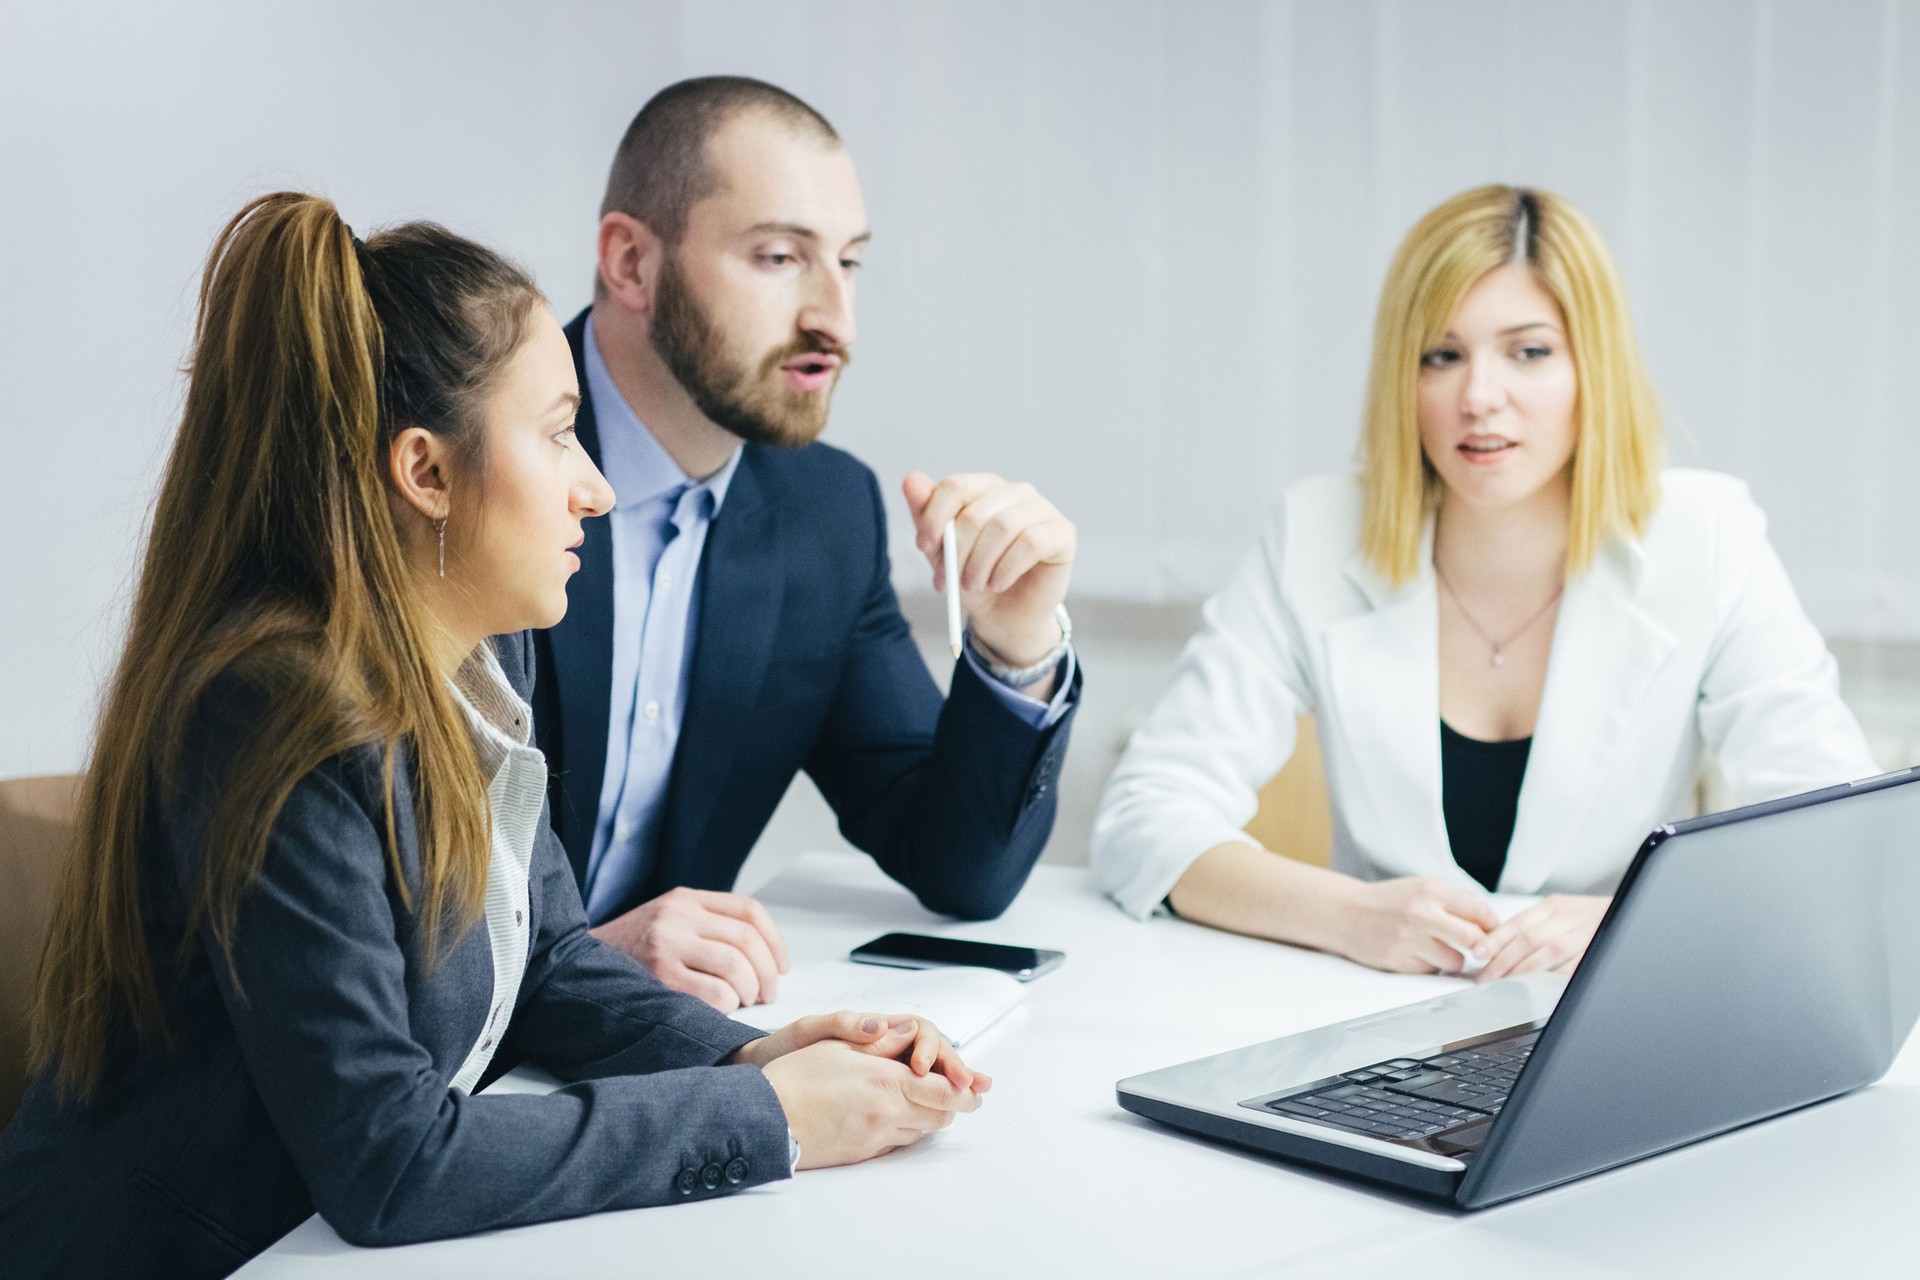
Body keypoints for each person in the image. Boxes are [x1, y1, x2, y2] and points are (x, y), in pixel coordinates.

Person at [0, 194, 987, 1280]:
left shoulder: (477, 657)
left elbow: (552, 959)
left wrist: (760, 1051)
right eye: (561, 433)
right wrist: (765, 1117)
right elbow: (389, 1161)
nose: (598, 487)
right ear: (425, 471)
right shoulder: (279, 715)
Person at [1091, 184, 1877, 981]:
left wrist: (1625, 923)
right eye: (1443, 355)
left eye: (1529, 352)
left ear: (1590, 370)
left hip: (1614, 1014)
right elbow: (1144, 817)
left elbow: (1830, 841)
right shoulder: (1318, 533)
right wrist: (1349, 914)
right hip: (1371, 1020)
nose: (1479, 397)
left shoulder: (1707, 539)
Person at [534, 76, 1083, 1012]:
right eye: (780, 257)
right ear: (630, 262)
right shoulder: (464, 462)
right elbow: (352, 897)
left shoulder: (825, 511)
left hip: (654, 1064)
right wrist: (571, 962)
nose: (836, 319)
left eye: (851, 263)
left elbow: (956, 865)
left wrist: (1013, 648)